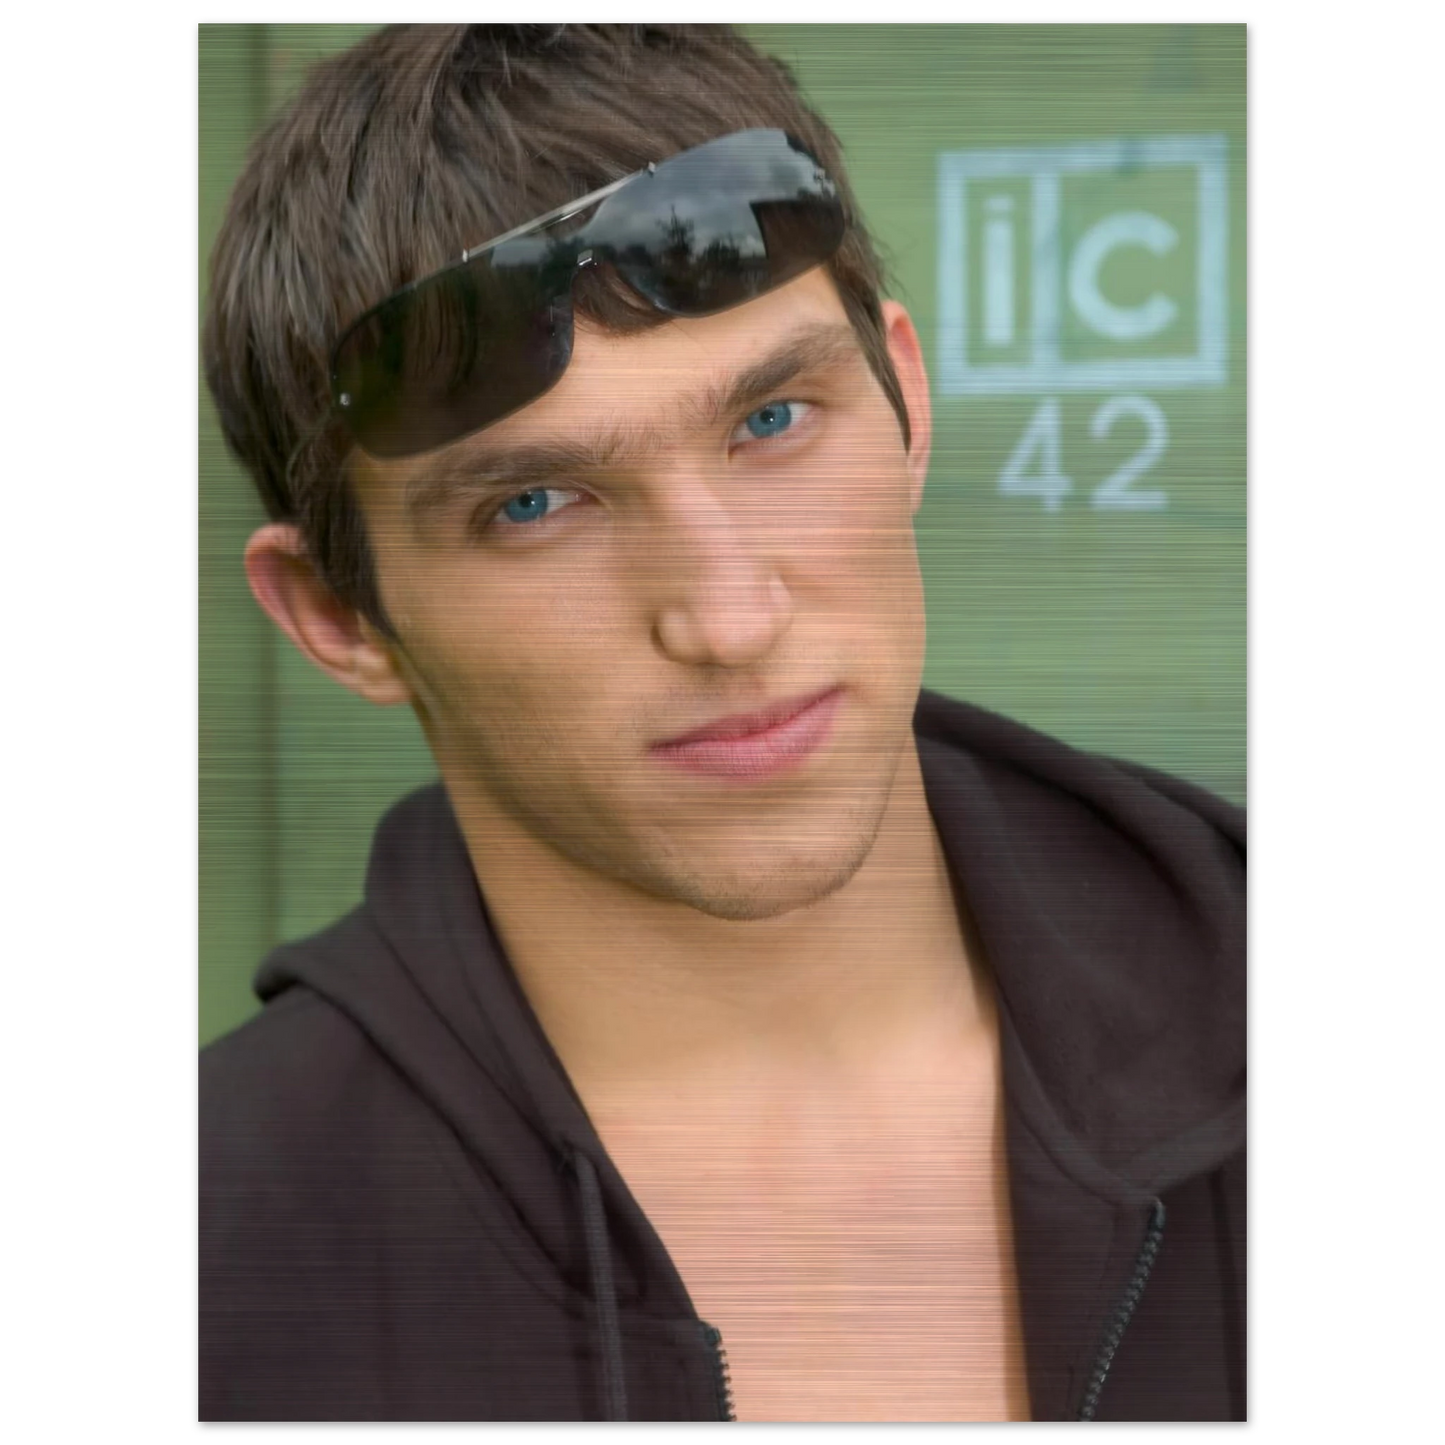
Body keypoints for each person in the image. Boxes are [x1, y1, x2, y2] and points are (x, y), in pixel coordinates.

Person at [198, 23, 1247, 1425]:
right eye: (532, 505)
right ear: (339, 618)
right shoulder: (227, 1266)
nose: (729, 616)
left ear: (905, 398)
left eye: (772, 422)